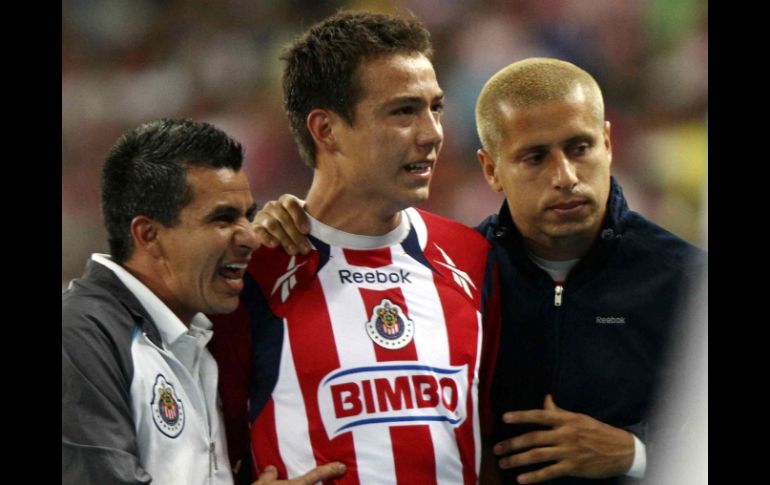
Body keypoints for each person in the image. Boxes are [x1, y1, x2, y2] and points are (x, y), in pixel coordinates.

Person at [252, 57, 707, 484]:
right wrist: (295, 220)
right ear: (491, 170)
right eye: (535, 157)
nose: (565, 175)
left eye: (580, 147)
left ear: (607, 143)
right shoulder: (457, 269)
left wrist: (634, 451)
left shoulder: (687, 280)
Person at [208, 11, 500, 485]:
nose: (432, 133)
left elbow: (495, 442)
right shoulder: (250, 272)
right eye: (404, 111)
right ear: (325, 130)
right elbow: (188, 446)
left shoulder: (472, 258)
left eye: (436, 107)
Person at [61, 119, 346, 485]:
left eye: (249, 215)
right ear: (149, 235)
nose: (250, 238)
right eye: (223, 219)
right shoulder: (81, 335)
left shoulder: (192, 336)